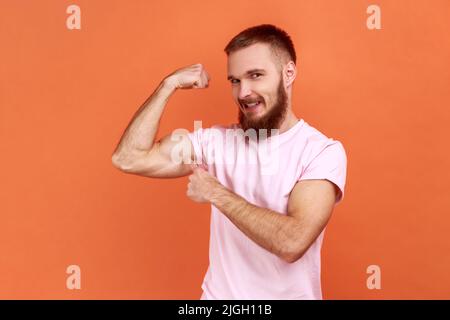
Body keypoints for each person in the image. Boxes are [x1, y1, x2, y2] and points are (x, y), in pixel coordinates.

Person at [112, 24, 347, 300]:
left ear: (289, 73)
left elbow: (292, 242)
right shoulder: (216, 142)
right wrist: (168, 85)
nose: (243, 92)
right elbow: (128, 158)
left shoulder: (321, 152)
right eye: (234, 80)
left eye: (255, 75)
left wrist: (215, 192)